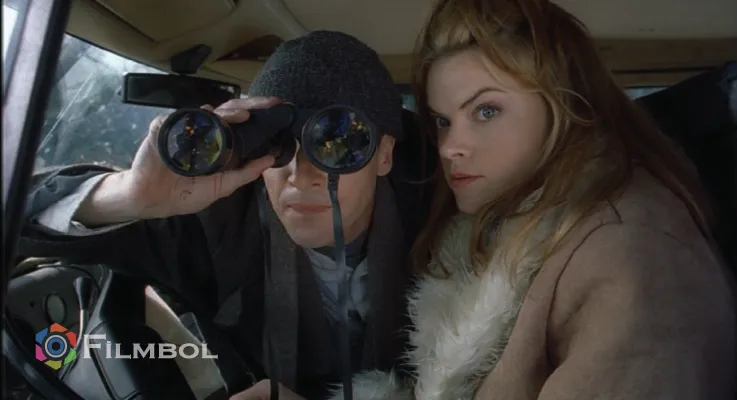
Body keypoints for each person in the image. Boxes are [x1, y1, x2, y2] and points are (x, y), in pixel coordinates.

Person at [326, 0, 737, 399]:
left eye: (486, 111)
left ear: (562, 103)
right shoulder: (514, 228)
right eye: (442, 121)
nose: (450, 147)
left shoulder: (632, 254)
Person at [17, 30, 435, 399]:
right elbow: (17, 216)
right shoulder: (214, 219)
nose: (300, 174)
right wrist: (130, 196)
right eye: (278, 145)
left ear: (384, 154)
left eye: (338, 144)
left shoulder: (439, 215)